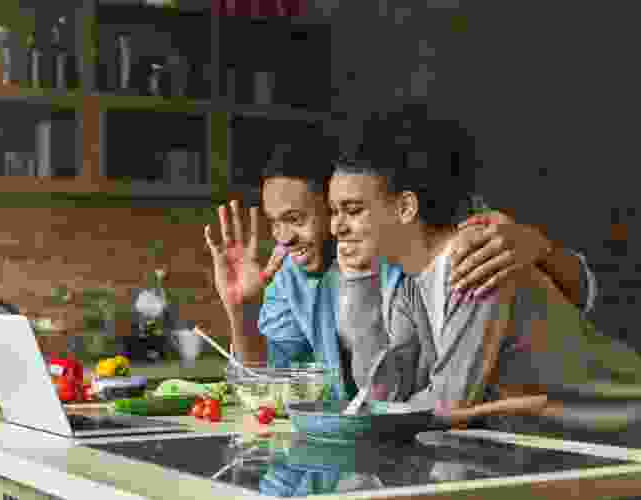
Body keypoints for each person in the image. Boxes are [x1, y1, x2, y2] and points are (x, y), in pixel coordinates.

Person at [204, 114, 597, 400]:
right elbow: (266, 388)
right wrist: (241, 312)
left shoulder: (439, 241)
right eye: (275, 223)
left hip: (584, 435)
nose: (284, 239)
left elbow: (572, 296)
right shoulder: (289, 273)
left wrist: (541, 247)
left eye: (297, 218)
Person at [329, 114, 641, 428]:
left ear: (406, 208)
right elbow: (386, 392)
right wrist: (358, 281)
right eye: (333, 212)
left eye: (353, 211)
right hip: (566, 446)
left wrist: (367, 418)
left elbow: (449, 403)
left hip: (622, 434)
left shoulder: (473, 257)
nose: (336, 227)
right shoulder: (413, 282)